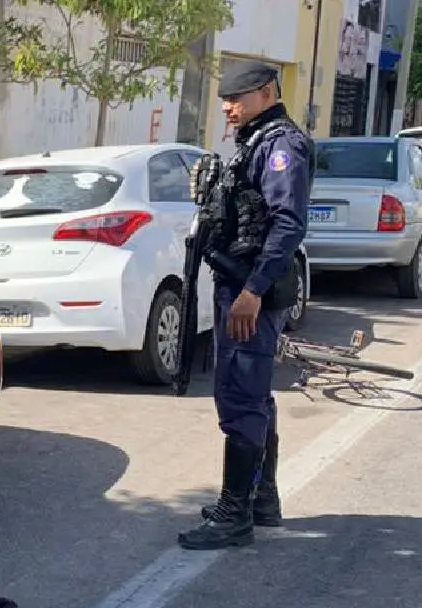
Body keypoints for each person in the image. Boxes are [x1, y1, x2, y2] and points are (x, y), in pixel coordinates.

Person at [178, 61, 313, 551]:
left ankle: (236, 516)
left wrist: (252, 292)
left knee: (240, 398)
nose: (228, 109)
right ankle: (260, 500)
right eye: (225, 101)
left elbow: (287, 225)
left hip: (249, 293)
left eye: (236, 99)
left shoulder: (281, 146)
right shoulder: (257, 141)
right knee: (253, 395)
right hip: (240, 285)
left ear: (265, 92)